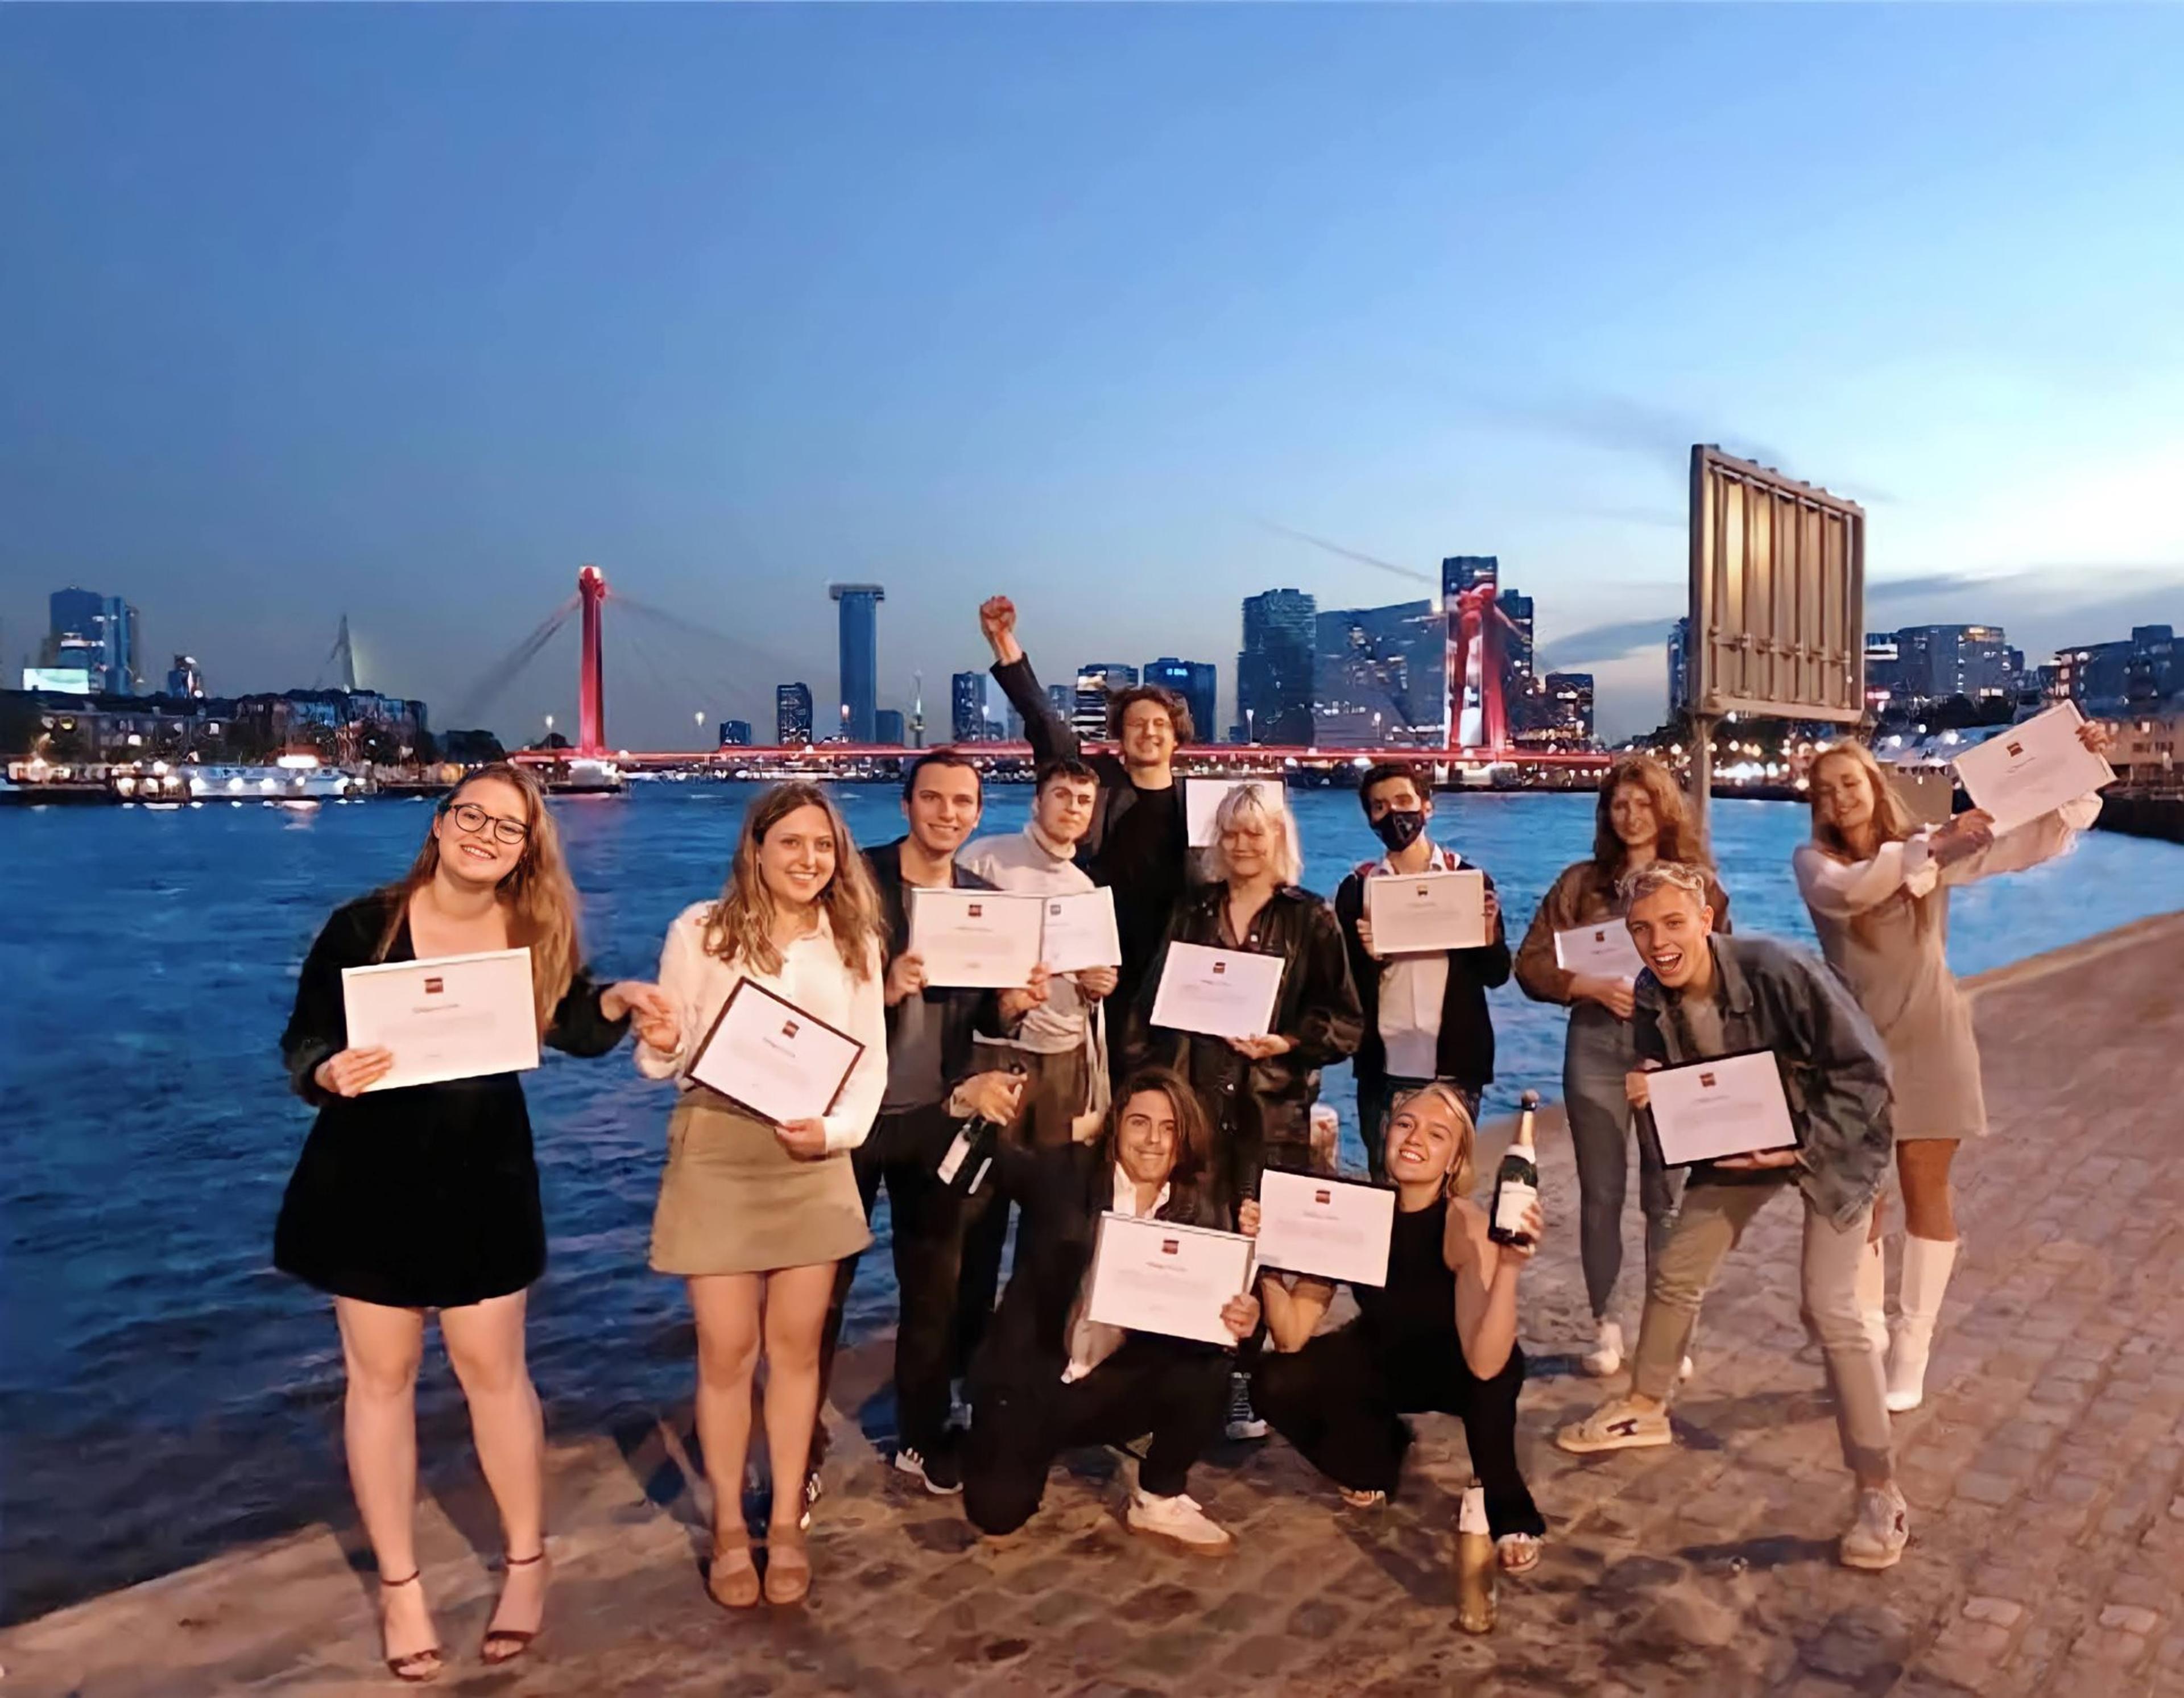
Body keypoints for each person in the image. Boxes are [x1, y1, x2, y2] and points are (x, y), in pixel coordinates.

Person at [274, 763, 670, 1679]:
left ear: (530, 848)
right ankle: (400, 1585)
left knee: (495, 1375)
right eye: (473, 816)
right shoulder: (363, 925)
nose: (488, 836)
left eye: (511, 828)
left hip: (482, 1175)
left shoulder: (531, 930)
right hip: (364, 1178)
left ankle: (526, 1561)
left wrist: (615, 1001)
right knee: (379, 1381)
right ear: (441, 823)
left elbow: (572, 1021)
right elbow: (301, 1039)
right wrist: (324, 1073)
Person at [1554, 861, 1910, 1572]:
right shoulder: (1653, 994)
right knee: (1679, 1266)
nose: (1658, 942)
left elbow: (1867, 1072)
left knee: (1829, 1308)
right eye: (1642, 930)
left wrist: (1795, 1142)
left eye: (1673, 923)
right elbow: (1684, 1107)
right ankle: (1645, 1405)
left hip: (1832, 1143)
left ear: (1707, 919)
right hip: (1736, 1150)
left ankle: (1880, 1490)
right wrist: (1653, 1092)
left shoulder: (1777, 967)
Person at [1793, 726, 2109, 1413]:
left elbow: (2024, 842)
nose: (1839, 798)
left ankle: (1913, 1348)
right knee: (1864, 1199)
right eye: (1825, 791)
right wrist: (1932, 845)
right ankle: (1868, 1338)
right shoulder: (1816, 862)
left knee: (1926, 1190)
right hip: (1854, 1049)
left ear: (1875, 786)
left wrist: (2074, 767)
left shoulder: (1924, 852)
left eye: (1850, 783)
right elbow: (1854, 891)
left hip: (1933, 1035)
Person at [635, 780, 890, 1608]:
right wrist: (664, 1039)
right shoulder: (699, 931)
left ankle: (783, 1522)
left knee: (797, 1353)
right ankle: (728, 1531)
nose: (810, 860)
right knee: (725, 1351)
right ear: (756, 848)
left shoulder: (852, 942)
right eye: (792, 843)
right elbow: (668, 1058)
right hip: (718, 1148)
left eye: (823, 846)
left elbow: (869, 1063)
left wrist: (838, 1133)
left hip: (808, 1152)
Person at [816, 751, 1045, 1499]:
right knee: (823, 1286)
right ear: (907, 802)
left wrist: (1011, 1005)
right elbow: (812, 989)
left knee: (934, 1287)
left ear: (979, 813)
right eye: (934, 798)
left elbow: (982, 1013)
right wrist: (880, 991)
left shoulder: (983, 899)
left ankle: (920, 1435)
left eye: (964, 802)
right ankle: (800, 1433)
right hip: (848, 1113)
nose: (948, 813)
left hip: (937, 1113)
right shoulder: (857, 881)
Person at [1127, 781, 1362, 1439]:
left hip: (1270, 1110)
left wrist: (1285, 1043)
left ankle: (1239, 1384)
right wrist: (1143, 1093)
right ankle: (1176, 1380)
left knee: (1255, 1248)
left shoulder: (1311, 918)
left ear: (1279, 840)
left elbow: (1345, 1022)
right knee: (1191, 1235)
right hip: (1196, 1102)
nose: (1242, 845)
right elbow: (1151, 1007)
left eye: (1256, 832)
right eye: (1231, 833)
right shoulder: (1192, 912)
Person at [1251, 1083, 1549, 1571]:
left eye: (1437, 1133)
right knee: (1270, 1379)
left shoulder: (1463, 1223)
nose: (1415, 1138)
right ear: (1387, 1134)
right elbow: (1291, 1333)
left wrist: (1510, 1268)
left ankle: (1508, 1507)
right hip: (1389, 1355)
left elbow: (1484, 1359)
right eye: (1406, 1124)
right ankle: (1380, 1453)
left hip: (1464, 1361)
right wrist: (1264, 1256)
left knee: (1489, 1386)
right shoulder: (1359, 1212)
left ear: (1455, 1160)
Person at [961, 1069, 1260, 1553]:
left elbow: (1216, 1312)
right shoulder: (1066, 1173)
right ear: (1116, 1125)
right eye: (1140, 1123)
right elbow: (981, 1164)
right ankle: (985, 1431)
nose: (1153, 1140)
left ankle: (1159, 1496)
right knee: (996, 1512)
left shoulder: (1197, 1207)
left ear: (1184, 1140)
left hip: (1113, 1381)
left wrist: (1243, 1316)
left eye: (1169, 1128)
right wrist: (967, 1102)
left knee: (1212, 1362)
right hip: (1033, 1376)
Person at [1513, 755, 1731, 1379]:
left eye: (1643, 802)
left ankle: (1670, 1334)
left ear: (1666, 809)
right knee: (1601, 1195)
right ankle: (1605, 1326)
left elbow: (1723, 973)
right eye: (1619, 805)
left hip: (1670, 1052)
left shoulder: (1700, 887)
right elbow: (1529, 963)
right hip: (1595, 1051)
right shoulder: (1581, 885)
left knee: (1668, 1197)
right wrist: (1584, 984)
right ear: (1606, 814)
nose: (1632, 815)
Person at [954, 756, 1121, 1379]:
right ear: (1037, 800)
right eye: (1062, 795)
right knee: (978, 1220)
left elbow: (1097, 979)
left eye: (1083, 799)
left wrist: (1101, 982)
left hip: (1064, 1061)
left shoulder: (1085, 891)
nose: (1073, 808)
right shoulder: (986, 860)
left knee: (1051, 1226)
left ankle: (1025, 1357)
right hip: (995, 1053)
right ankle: (966, 1364)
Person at [980, 593, 1196, 1022]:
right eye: (1135, 724)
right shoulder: (1098, 784)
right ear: (1119, 736)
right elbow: (1045, 723)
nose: (1148, 732)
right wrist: (1004, 642)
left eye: (1159, 725)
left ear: (1177, 737)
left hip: (1176, 968)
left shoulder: (1202, 804)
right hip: (1095, 963)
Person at [1333, 762, 1512, 1183]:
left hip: (1455, 1062)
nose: (1393, 814)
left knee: (1450, 1184)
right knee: (1386, 1179)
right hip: (1383, 1062)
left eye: (1403, 801)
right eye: (1379, 807)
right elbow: (1344, 984)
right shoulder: (1357, 888)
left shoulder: (1468, 878)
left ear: (1427, 807)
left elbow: (1497, 973)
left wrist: (1488, 937)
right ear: (1370, 819)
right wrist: (1370, 956)